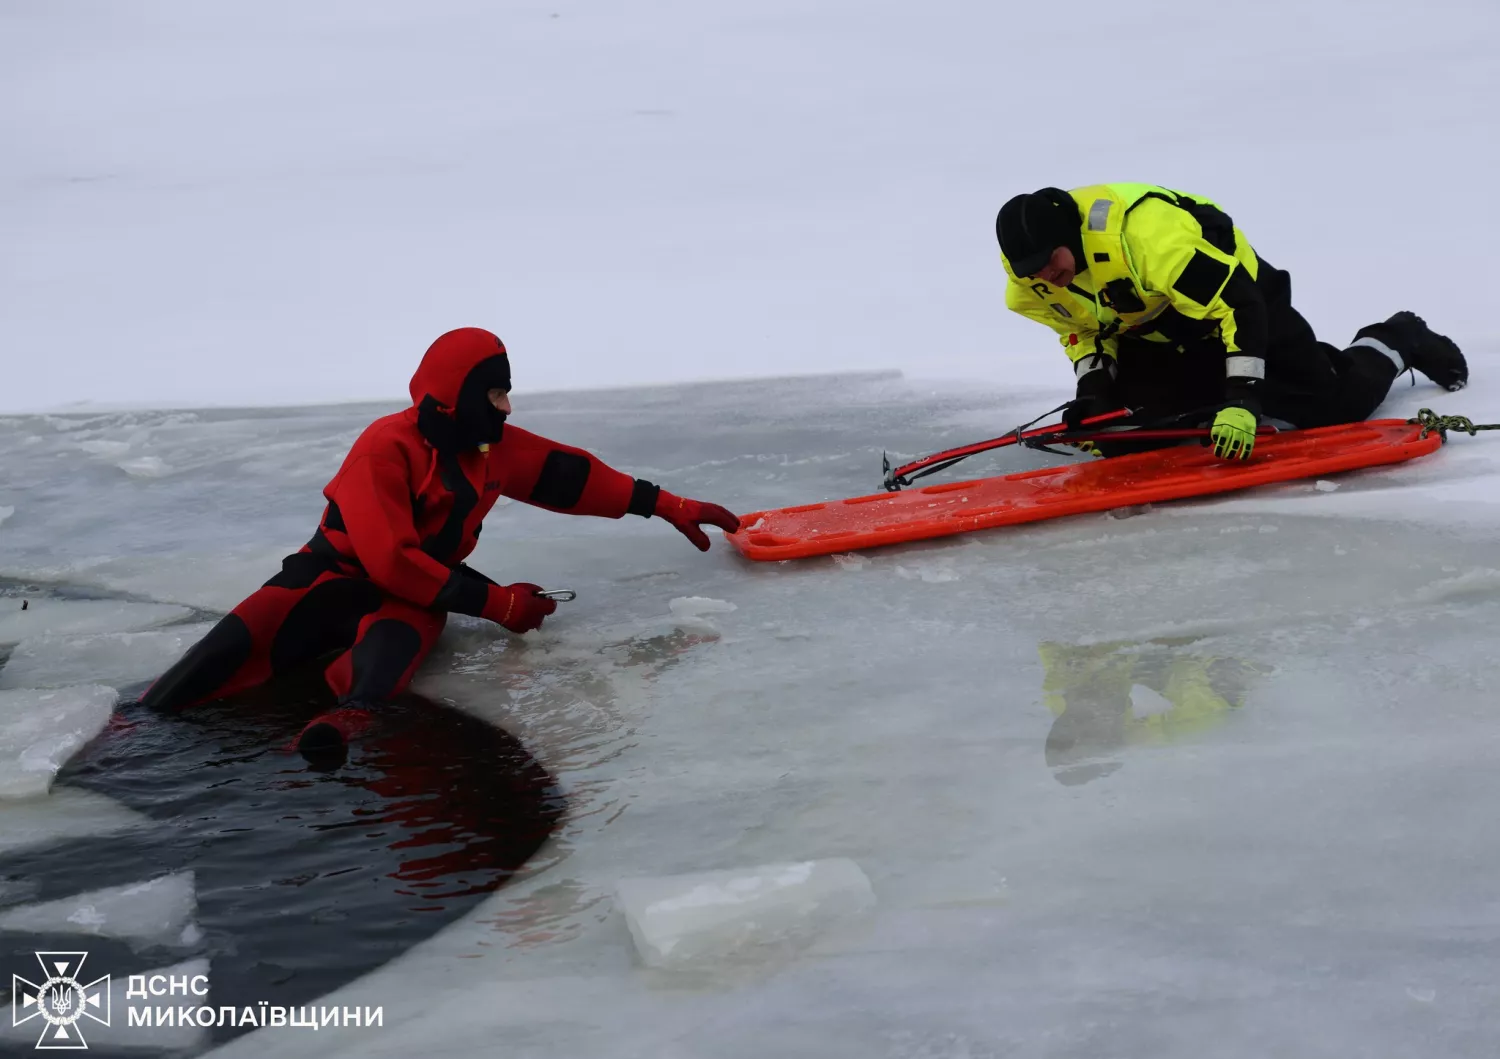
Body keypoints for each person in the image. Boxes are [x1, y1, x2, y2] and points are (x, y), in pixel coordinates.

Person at [140, 327, 741, 752]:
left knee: (387, 663)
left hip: (420, 591)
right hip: (332, 576)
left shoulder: (490, 447)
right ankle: (127, 733)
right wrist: (501, 604)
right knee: (202, 672)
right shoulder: (385, 446)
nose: (507, 406)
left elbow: (570, 477)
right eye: (495, 393)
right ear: (456, 396)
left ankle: (343, 723)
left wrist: (671, 505)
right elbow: (390, 561)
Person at [994, 184, 1467, 459]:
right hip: (1156, 332)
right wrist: (1095, 394)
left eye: (1047, 260)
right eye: (1029, 268)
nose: (1043, 275)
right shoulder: (1029, 284)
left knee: (1330, 407)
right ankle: (1222, 390)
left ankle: (1394, 339)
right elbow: (1082, 333)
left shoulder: (1150, 241)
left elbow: (1239, 308)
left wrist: (1243, 399)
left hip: (1245, 303)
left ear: (1069, 237)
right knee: (1125, 433)